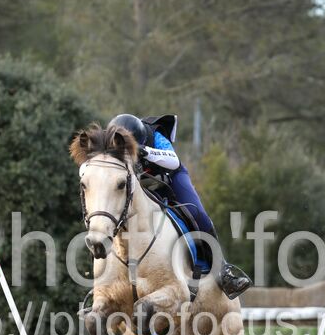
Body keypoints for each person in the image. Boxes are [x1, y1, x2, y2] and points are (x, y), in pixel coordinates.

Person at [108, 113, 252, 300]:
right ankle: (103, 286)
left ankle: (223, 271)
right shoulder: (109, 145)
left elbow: (173, 161)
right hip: (140, 186)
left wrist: (146, 151)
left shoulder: (154, 134)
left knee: (196, 213)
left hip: (171, 177)